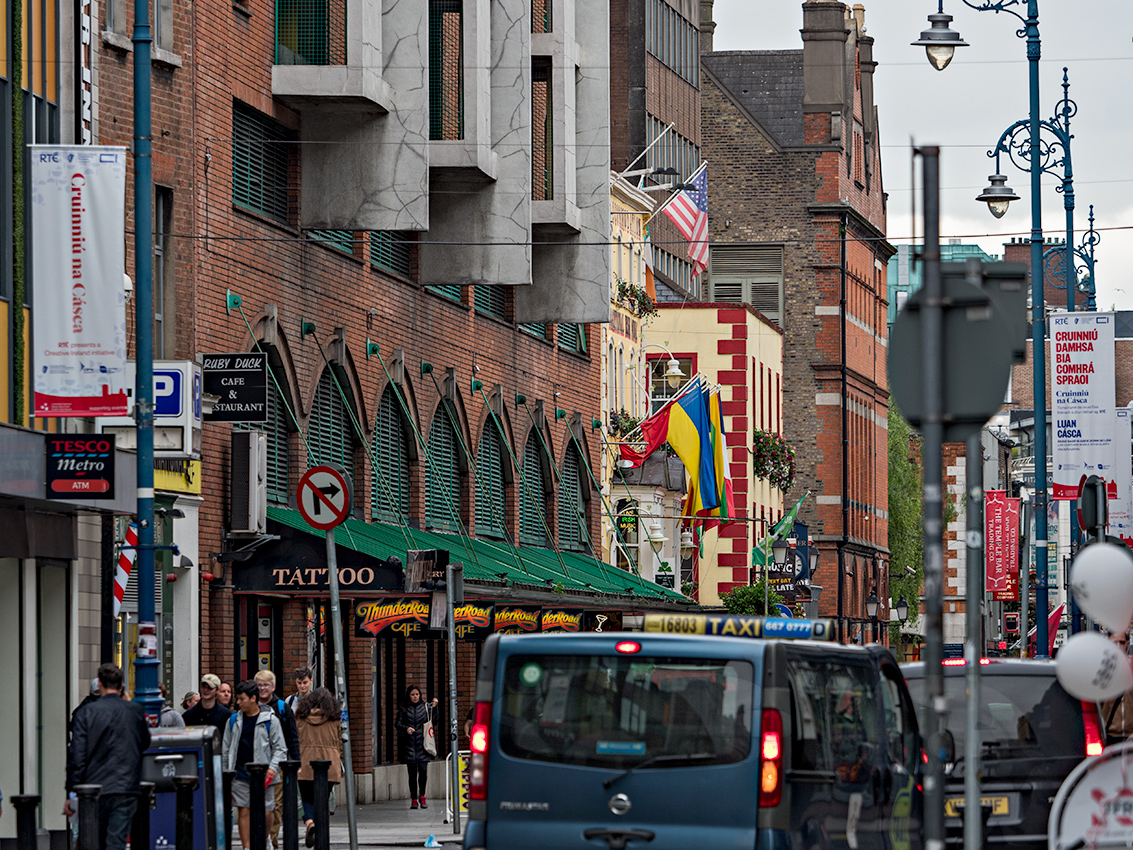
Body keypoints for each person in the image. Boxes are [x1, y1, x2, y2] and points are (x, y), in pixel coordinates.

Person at [65, 663, 151, 850]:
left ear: (101, 684)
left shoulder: (86, 712)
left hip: (94, 788)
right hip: (126, 785)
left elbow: (77, 755)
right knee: (116, 840)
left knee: (93, 840)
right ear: (121, 686)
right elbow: (145, 741)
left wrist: (71, 792)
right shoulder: (134, 710)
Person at [223, 681, 287, 850]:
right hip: (240, 772)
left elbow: (280, 748)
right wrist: (226, 773)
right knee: (244, 811)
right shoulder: (233, 720)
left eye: (241, 699)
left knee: (267, 811)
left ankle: (264, 837)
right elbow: (226, 749)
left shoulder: (270, 721)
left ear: (253, 698)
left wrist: (273, 769)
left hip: (264, 773)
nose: (238, 703)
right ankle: (247, 847)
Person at [255, 670, 301, 849]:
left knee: (274, 806)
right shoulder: (252, 706)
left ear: (273, 687)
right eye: (259, 685)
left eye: (266, 685)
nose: (262, 689)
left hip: (278, 764)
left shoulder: (282, 707)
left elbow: (292, 736)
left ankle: (271, 841)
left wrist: (296, 761)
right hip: (256, 764)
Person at [295, 688, 343, 847]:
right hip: (328, 764)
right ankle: (320, 833)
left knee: (307, 798)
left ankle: (309, 823)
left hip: (305, 762)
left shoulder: (300, 718)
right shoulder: (334, 719)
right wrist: (340, 762)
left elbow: (295, 739)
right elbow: (339, 742)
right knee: (322, 800)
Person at [395, 685, 439, 809]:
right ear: (409, 696)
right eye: (412, 694)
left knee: (423, 771)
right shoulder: (404, 709)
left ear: (420, 695)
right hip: (409, 745)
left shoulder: (425, 708)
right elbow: (397, 724)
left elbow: (434, 721)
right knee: (412, 774)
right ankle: (414, 798)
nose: (415, 697)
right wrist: (406, 728)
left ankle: (422, 796)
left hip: (423, 744)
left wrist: (435, 709)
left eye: (417, 694)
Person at [1101, 630, 1133, 743]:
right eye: (1115, 643)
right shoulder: (1102, 671)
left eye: (1122, 642)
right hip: (1109, 736)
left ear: (1127, 645)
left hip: (1130, 737)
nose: (1118, 647)